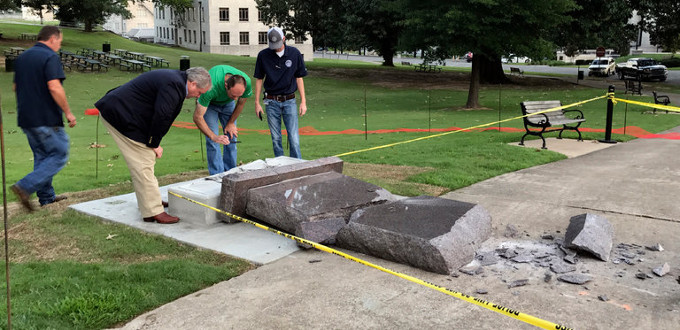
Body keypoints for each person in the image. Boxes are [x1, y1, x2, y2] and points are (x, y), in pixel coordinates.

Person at [94, 68, 212, 224]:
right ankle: (153, 211)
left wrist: (153, 142)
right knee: (143, 161)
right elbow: (161, 116)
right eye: (199, 92)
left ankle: (150, 201)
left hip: (126, 113)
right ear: (192, 83)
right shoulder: (174, 85)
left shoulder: (175, 80)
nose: (199, 96)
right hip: (119, 114)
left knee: (145, 160)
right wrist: (153, 144)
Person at [11, 25, 77, 212]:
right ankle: (24, 186)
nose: (59, 45)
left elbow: (16, 87)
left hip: (26, 118)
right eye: (60, 42)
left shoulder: (23, 58)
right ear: (52, 39)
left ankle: (46, 198)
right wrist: (68, 113)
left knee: (42, 156)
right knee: (59, 154)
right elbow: (55, 87)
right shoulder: (49, 57)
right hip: (46, 117)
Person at [254, 27, 308, 159]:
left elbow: (299, 78)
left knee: (294, 138)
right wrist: (257, 103)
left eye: (278, 44)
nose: (276, 48)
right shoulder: (263, 55)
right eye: (273, 45)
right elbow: (259, 79)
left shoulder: (294, 54)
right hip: (271, 102)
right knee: (276, 138)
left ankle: (296, 166)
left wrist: (303, 102)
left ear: (284, 39)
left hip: (289, 100)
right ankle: (280, 167)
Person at [193, 65, 252, 174]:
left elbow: (240, 103)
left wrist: (230, 123)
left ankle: (230, 173)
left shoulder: (246, 83)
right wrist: (213, 136)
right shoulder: (211, 87)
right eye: (234, 95)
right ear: (226, 86)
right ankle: (217, 175)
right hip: (210, 105)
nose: (236, 98)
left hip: (227, 104)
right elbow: (197, 117)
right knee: (213, 140)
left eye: (238, 95)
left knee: (231, 135)